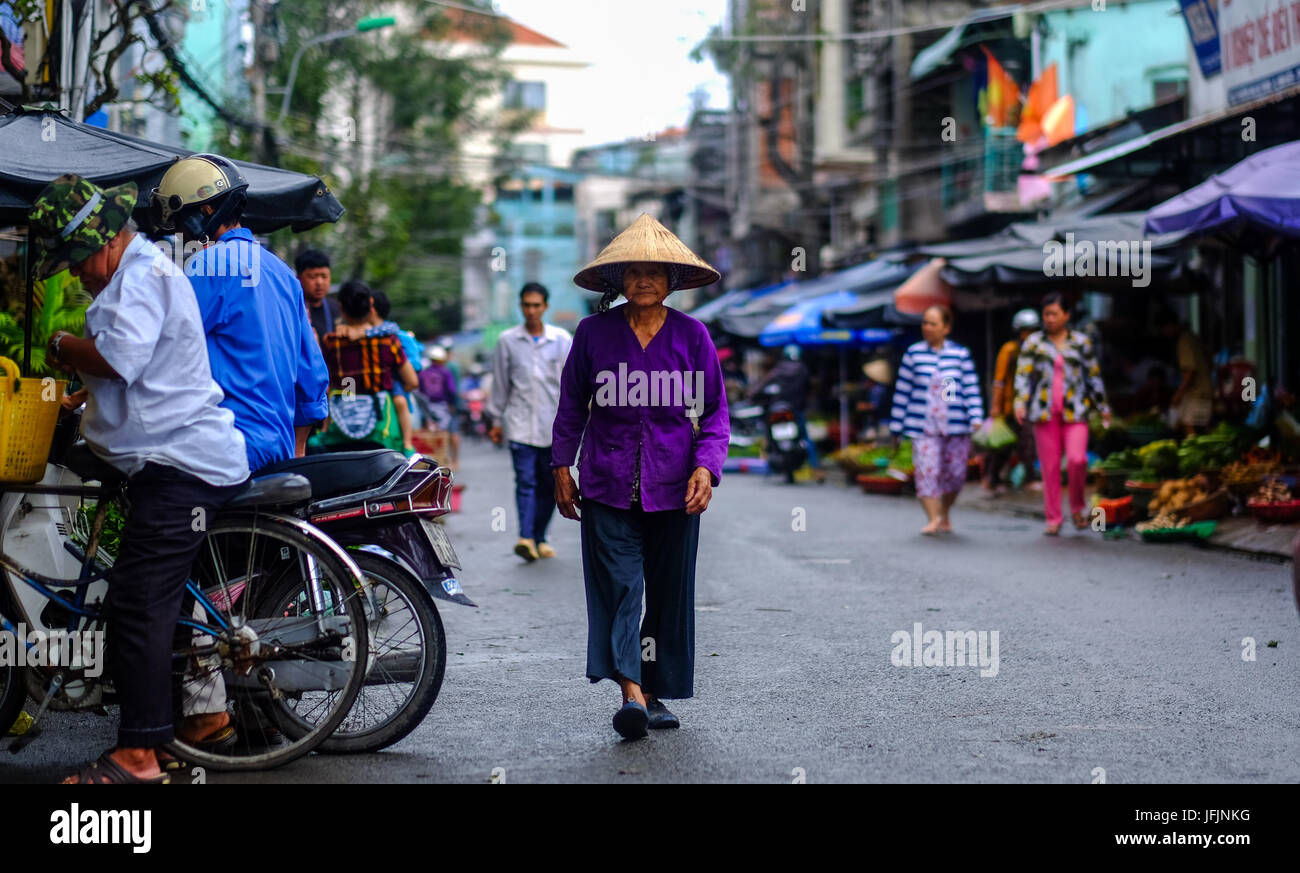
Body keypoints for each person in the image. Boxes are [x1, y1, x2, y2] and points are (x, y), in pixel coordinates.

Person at [32, 174, 251, 783]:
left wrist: (63, 344)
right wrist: (79, 398)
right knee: (167, 602)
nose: (76, 275)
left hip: (180, 467)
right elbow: (143, 367)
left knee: (136, 607)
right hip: (177, 460)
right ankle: (204, 721)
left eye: (76, 261)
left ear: (101, 243)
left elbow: (120, 358)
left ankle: (138, 756)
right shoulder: (143, 272)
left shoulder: (140, 277)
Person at [552, 213, 729, 740]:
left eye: (655, 272)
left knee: (668, 591)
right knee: (622, 586)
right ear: (618, 281)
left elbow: (715, 413)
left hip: (675, 485)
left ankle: (655, 691)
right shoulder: (592, 334)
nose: (644, 280)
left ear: (672, 280)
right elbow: (571, 407)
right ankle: (631, 692)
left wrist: (707, 466)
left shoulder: (693, 337)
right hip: (606, 482)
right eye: (633, 272)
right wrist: (562, 465)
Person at [149, 153, 329, 474]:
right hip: (279, 450)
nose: (178, 232)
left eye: (180, 220)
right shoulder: (283, 273)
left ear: (205, 211)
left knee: (154, 512)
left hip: (227, 443)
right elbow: (312, 376)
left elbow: (163, 348)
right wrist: (296, 448)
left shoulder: (207, 265)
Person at [487, 282, 573, 562]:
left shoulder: (561, 340)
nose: (531, 311)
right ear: (521, 306)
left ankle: (539, 536)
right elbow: (500, 384)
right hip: (520, 425)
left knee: (550, 486)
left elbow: (571, 386)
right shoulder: (507, 341)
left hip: (553, 427)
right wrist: (495, 419)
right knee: (525, 481)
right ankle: (525, 537)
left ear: (545, 306)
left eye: (536, 305)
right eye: (526, 305)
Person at [1014, 293, 1112, 535]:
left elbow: (1093, 375)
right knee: (1050, 466)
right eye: (1045, 314)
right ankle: (1054, 517)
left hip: (1076, 411)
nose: (1049, 319)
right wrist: (1019, 402)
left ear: (1067, 315)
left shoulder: (1081, 342)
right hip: (1044, 413)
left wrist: (1103, 407)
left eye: (1054, 314)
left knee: (1078, 460)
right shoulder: (1033, 343)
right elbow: (1023, 375)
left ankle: (1077, 508)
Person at [889, 305, 984, 535]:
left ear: (946, 328)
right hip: (923, 426)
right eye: (924, 323)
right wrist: (896, 425)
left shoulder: (960, 354)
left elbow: (970, 388)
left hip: (956, 425)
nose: (927, 327)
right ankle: (933, 518)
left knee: (956, 474)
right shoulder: (913, 354)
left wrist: (976, 417)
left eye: (933, 323)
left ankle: (944, 511)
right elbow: (903, 391)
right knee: (926, 471)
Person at [317, 280, 419, 451]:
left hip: (340, 425)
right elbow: (412, 382)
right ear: (371, 304)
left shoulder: (330, 342)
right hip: (381, 428)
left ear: (341, 307)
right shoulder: (388, 340)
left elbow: (328, 382)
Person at [982, 308, 1040, 495]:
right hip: (1009, 407)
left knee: (1028, 442)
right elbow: (999, 380)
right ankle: (992, 478)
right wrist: (996, 405)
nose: (1029, 334)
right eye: (1026, 330)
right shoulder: (1010, 350)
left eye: (1032, 330)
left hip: (1029, 406)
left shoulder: (1037, 351)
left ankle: (1029, 478)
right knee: (1002, 445)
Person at [751, 344, 821, 480]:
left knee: (768, 436)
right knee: (805, 439)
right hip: (795, 410)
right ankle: (816, 469)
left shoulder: (778, 370)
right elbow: (809, 389)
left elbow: (759, 389)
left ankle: (768, 466)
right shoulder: (803, 370)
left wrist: (753, 396)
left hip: (777, 409)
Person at [1157, 307, 1213, 436]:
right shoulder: (1192, 337)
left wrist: (1178, 394)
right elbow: (1210, 359)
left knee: (1191, 429)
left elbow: (1190, 371)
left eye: (1163, 329)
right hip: (1202, 390)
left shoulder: (1184, 341)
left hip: (1198, 393)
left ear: (1170, 325)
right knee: (1188, 426)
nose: (1165, 333)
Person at [418, 345, 460, 466]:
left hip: (427, 408)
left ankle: (433, 461)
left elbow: (420, 392)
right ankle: (451, 460)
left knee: (430, 434)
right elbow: (451, 390)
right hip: (443, 406)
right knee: (449, 433)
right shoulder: (446, 373)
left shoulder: (424, 373)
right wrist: (452, 404)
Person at [296, 248, 338, 343]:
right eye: (312, 277)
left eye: (324, 276)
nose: (319, 282)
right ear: (298, 279)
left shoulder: (337, 309)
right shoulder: (292, 309)